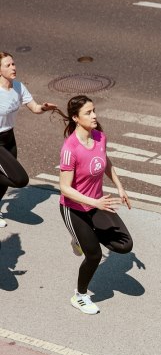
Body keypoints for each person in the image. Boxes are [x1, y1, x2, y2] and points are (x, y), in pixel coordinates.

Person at [58, 95, 133, 315]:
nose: (94, 116)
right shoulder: (70, 148)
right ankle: (80, 295)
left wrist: (119, 186)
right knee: (94, 255)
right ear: (75, 118)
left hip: (97, 204)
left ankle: (84, 237)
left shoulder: (100, 137)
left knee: (124, 245)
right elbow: (65, 188)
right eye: (88, 113)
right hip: (74, 209)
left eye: (94, 111)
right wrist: (95, 202)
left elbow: (105, 161)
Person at [0, 50, 58, 227]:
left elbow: (34, 108)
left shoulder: (18, 87)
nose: (13, 67)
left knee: (4, 183)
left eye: (14, 64)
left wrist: (44, 107)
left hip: (10, 138)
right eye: (8, 65)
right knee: (20, 179)